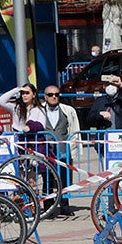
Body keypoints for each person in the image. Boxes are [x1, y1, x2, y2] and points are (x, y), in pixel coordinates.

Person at [38, 85, 80, 213]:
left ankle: (65, 206)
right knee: (47, 179)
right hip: (46, 151)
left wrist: (74, 149)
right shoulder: (39, 111)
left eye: (56, 94)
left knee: (64, 179)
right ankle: (48, 208)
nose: (54, 97)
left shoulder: (67, 110)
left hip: (63, 150)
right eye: (50, 95)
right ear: (45, 97)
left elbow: (74, 129)